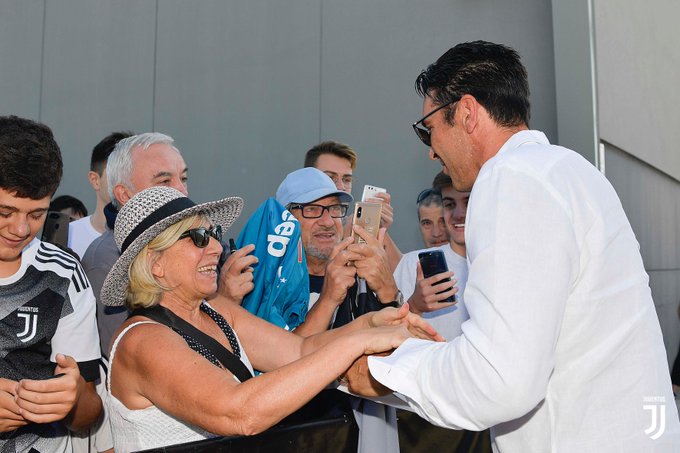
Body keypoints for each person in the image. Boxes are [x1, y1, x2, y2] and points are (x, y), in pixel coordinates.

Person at [363, 41, 680, 452]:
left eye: (429, 127)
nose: (430, 149)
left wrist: (379, 369)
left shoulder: (510, 178)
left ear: (467, 113)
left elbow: (499, 379)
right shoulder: (573, 170)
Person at [101, 186, 440, 453]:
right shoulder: (141, 341)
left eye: (213, 234)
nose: (216, 248)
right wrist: (359, 341)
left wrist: (374, 324)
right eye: (199, 238)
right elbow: (239, 412)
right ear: (155, 263)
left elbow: (300, 351)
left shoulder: (216, 310)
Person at [274, 167, 404, 453]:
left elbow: (395, 364)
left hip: (365, 435)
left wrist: (387, 293)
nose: (327, 221)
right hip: (296, 438)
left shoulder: (363, 277)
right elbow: (282, 365)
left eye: (334, 209)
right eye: (311, 210)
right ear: (284, 220)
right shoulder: (268, 284)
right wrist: (329, 298)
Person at [0, 115, 102, 452]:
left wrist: (74, 398)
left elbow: (89, 415)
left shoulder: (63, 273)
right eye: (5, 212)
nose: (20, 229)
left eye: (36, 214)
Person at [81, 132, 188, 357]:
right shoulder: (106, 260)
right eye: (164, 181)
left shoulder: (201, 243)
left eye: (183, 178)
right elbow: (130, 356)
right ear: (124, 194)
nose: (182, 190)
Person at [304, 140, 402, 271]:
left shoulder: (359, 226)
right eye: (330, 177)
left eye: (346, 179)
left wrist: (379, 230)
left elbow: (403, 275)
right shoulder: (293, 224)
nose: (341, 186)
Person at [394, 171, 468, 340]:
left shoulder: (502, 262)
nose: (458, 214)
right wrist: (415, 305)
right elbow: (390, 334)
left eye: (468, 202)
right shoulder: (412, 263)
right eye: (450, 205)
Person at [68, 131, 133, 259]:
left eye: (131, 172)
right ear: (95, 180)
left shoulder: (151, 236)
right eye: (116, 173)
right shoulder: (69, 235)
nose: (126, 181)